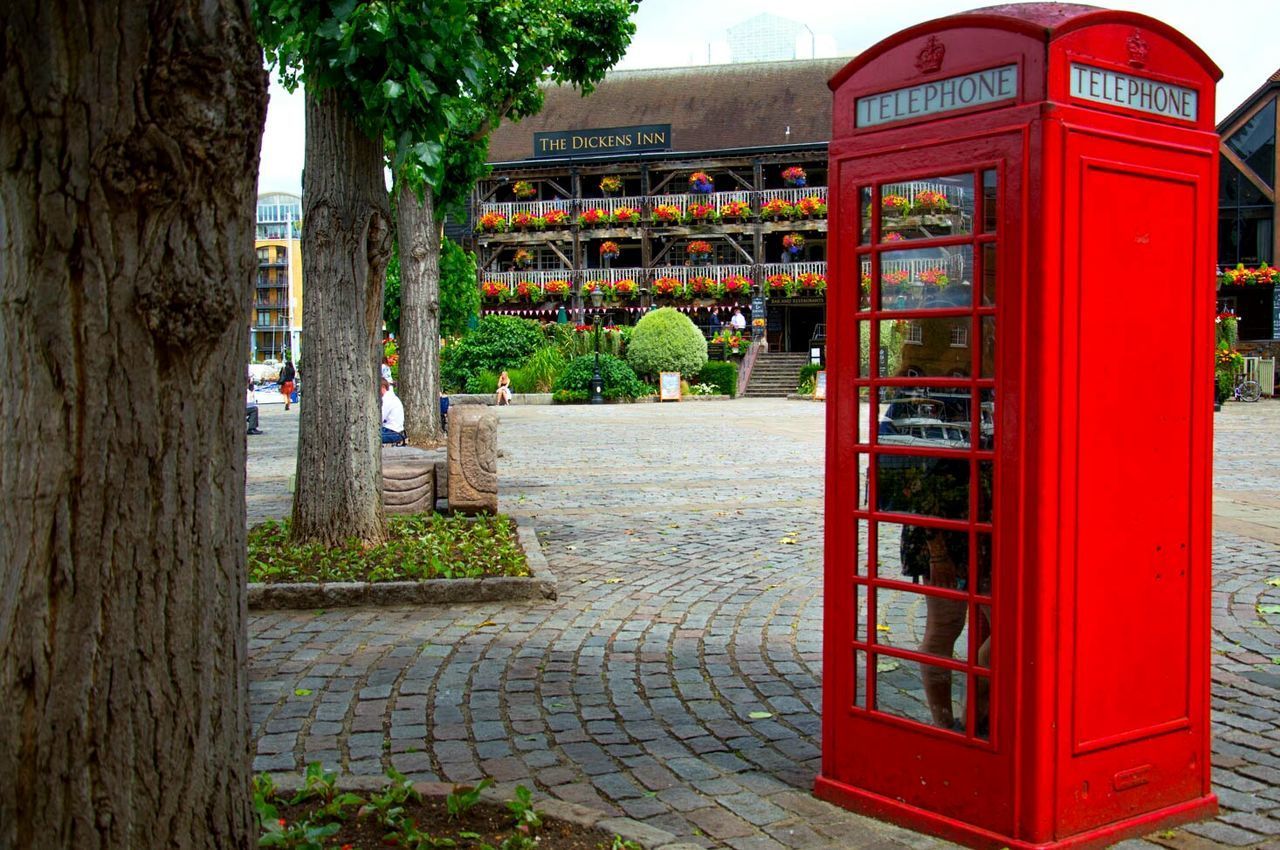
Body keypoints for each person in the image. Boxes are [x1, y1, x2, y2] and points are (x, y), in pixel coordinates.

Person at [380, 377, 405, 444]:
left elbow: (379, 419)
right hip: (391, 431)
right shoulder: (390, 397)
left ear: (382, 387)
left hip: (393, 433)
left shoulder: (387, 399)